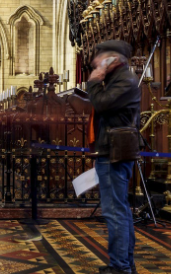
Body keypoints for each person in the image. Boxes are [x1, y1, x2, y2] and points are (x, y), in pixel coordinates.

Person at [68, 40, 141, 274]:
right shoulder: (118, 80)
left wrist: (93, 83)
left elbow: (101, 104)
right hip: (112, 149)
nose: (95, 64)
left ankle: (120, 267)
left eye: (99, 60)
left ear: (113, 59)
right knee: (119, 210)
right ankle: (124, 263)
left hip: (114, 153)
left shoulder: (125, 81)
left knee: (114, 211)